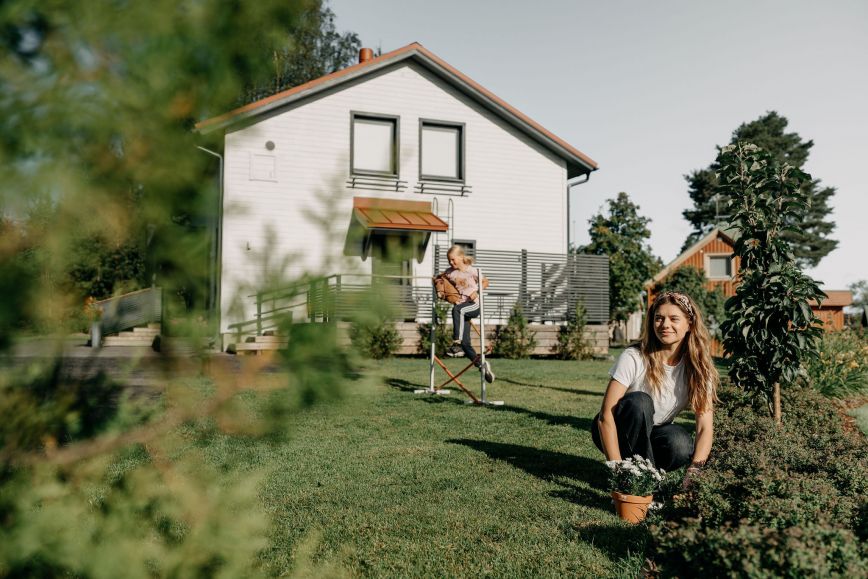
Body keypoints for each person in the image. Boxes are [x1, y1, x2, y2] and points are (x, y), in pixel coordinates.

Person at [591, 291, 718, 480]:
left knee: (680, 444)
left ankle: (644, 474)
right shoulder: (634, 357)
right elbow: (605, 417)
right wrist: (616, 468)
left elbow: (704, 428)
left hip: (656, 431)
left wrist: (694, 472)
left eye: (674, 319)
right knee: (640, 402)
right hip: (619, 426)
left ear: (689, 324)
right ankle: (638, 478)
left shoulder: (699, 368)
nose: (665, 325)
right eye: (659, 318)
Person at [438, 245, 495, 383]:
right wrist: (440, 289)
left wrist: (478, 290)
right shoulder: (450, 272)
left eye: (453, 260)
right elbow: (440, 279)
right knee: (466, 344)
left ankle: (455, 343)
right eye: (449, 260)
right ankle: (482, 365)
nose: (451, 263)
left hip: (474, 304)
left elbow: (486, 281)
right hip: (463, 308)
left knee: (457, 309)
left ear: (461, 257)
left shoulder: (472, 271)